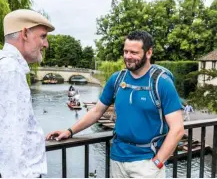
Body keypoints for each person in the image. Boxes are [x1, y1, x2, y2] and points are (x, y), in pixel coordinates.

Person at [46, 30, 185, 178]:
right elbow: (96, 111)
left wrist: (156, 163)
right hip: (117, 158)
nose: (128, 56)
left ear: (149, 52)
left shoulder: (161, 83)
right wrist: (69, 131)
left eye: (134, 52)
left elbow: (177, 129)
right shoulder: (117, 79)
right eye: (125, 51)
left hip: (146, 163)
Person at [0, 9, 55, 177]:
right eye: (43, 36)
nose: (46, 44)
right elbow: (9, 144)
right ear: (25, 33)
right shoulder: (10, 70)